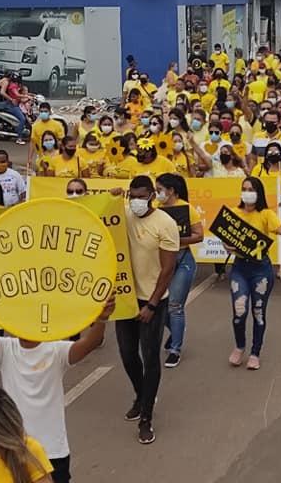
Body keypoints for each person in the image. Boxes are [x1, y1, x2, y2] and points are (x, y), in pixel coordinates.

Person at [0, 284, 114, 483]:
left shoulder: (57, 351)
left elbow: (91, 343)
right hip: (15, 449)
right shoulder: (5, 350)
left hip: (54, 451)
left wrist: (102, 318)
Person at [111, 176, 180, 444]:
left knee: (150, 356)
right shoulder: (123, 215)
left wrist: (152, 304)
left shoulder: (165, 224)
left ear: (152, 195)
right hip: (125, 298)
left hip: (152, 299)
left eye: (141, 196)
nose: (135, 201)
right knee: (128, 354)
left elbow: (167, 269)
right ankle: (142, 395)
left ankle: (146, 417)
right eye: (132, 195)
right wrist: (112, 196)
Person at [226, 177, 281, 369]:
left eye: (251, 189)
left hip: (261, 270)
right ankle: (239, 347)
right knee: (239, 311)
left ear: (259, 193)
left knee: (258, 313)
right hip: (239, 268)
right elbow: (226, 239)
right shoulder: (233, 213)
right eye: (244, 188)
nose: (247, 192)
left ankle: (255, 352)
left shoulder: (266, 214)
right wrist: (227, 246)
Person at [154, 173, 204, 368]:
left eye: (159, 190)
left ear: (171, 190)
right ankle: (177, 329)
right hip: (162, 262)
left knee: (175, 305)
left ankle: (175, 349)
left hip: (183, 260)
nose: (157, 194)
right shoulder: (157, 210)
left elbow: (199, 235)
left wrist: (175, 240)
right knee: (160, 304)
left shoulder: (187, 208)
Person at [0, 71, 29, 145]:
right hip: (0, 104)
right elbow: (2, 92)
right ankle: (19, 138)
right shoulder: (5, 81)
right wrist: (11, 99)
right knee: (22, 118)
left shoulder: (4, 80)